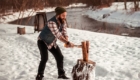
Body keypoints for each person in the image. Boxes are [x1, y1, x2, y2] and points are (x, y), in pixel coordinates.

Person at [36, 7, 74, 80]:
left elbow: (64, 31)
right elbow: (58, 35)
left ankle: (61, 74)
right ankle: (39, 75)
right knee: (44, 58)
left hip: (52, 42)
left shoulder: (63, 21)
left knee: (60, 57)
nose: (64, 17)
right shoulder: (51, 22)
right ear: (58, 15)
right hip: (42, 41)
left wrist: (67, 41)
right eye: (63, 15)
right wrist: (68, 42)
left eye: (66, 15)